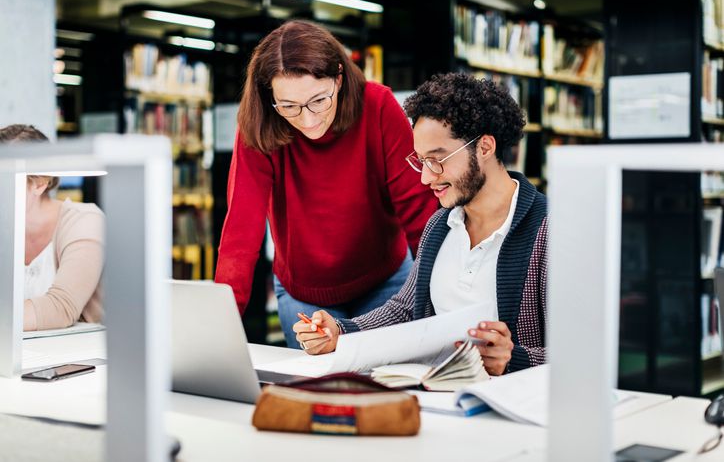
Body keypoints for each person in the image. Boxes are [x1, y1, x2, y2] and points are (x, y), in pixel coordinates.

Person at [293, 73, 548, 375]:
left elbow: (584, 354)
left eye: (438, 159)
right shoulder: (440, 225)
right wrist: (340, 332)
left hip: (514, 409)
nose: (426, 178)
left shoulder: (549, 232)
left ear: (485, 147)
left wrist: (512, 358)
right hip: (438, 398)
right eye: (421, 161)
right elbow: (404, 309)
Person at [215, 20, 439, 348]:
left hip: (386, 281)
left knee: (384, 385)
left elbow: (420, 212)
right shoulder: (259, 125)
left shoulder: (377, 106)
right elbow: (240, 235)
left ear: (338, 77)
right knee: (321, 390)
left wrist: (439, 303)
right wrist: (217, 330)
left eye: (319, 100)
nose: (308, 120)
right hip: (304, 292)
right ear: (269, 98)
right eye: (289, 106)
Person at [0, 124, 104, 331]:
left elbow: (61, 307)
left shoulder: (84, 221)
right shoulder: (5, 227)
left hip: (81, 357)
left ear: (40, 183)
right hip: (23, 355)